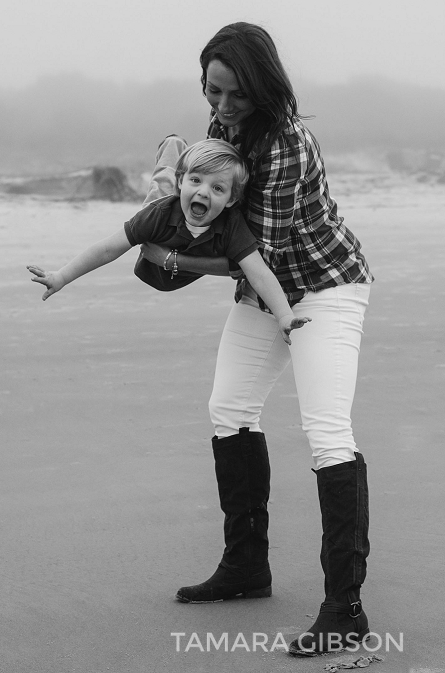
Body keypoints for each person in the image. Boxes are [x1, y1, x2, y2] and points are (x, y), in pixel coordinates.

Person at [137, 23, 374, 656]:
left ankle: (344, 607)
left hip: (323, 287)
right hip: (263, 293)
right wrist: (168, 159)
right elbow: (185, 153)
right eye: (211, 92)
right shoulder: (221, 130)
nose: (220, 106)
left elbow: (253, 254)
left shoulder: (289, 143)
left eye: (234, 95)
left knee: (328, 432)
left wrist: (172, 260)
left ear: (262, 87)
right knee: (229, 411)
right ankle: (246, 567)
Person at [28, 138, 311, 346]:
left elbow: (259, 273)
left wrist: (284, 316)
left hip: (175, 267)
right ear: (184, 183)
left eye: (218, 188)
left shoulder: (232, 226)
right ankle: (172, 146)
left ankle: (179, 154)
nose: (203, 192)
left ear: (232, 200)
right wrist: (62, 276)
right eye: (196, 180)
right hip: (154, 250)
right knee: (160, 187)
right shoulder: (159, 214)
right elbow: (107, 248)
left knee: (168, 189)